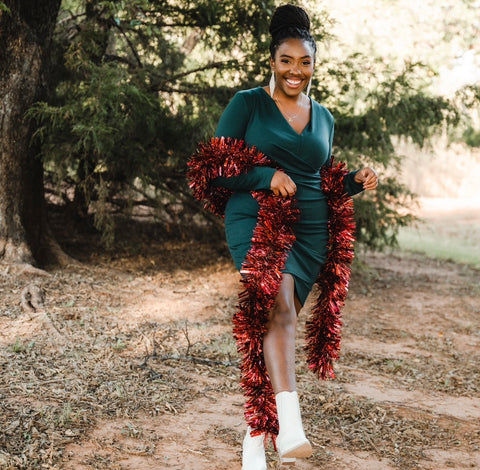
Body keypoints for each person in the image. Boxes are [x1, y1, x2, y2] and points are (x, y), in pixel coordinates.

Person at [209, 4, 378, 469]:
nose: (295, 71)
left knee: (274, 327)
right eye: (286, 61)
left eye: (304, 62)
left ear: (314, 65)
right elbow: (215, 171)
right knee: (279, 310)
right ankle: (291, 424)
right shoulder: (248, 103)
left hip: (311, 232)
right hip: (257, 222)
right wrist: (265, 177)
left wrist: (353, 183)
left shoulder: (324, 117)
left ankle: (253, 442)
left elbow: (320, 179)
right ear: (272, 61)